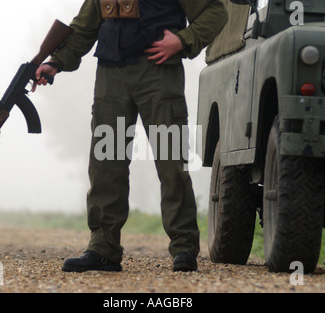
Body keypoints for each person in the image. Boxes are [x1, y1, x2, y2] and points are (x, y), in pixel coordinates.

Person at [33, 0, 228, 272]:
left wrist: (184, 40)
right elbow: (84, 27)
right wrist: (56, 62)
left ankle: (184, 248)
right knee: (106, 165)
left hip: (158, 73)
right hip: (111, 75)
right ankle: (103, 249)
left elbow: (216, 12)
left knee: (171, 162)